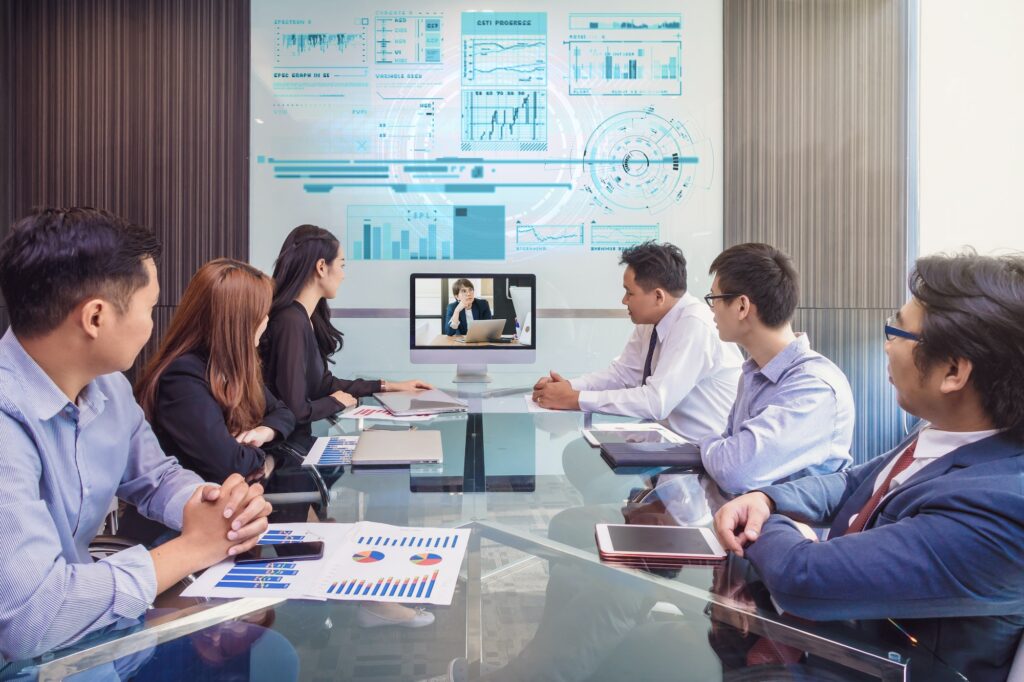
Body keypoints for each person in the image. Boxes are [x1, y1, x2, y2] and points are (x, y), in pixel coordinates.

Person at [714, 251, 1024, 682]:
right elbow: (853, 482)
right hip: (817, 644)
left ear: (953, 371)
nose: (886, 344)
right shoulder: (941, 432)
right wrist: (768, 497)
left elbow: (802, 577)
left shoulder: (1003, 505)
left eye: (897, 331)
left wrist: (774, 523)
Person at [0, 207, 272, 661]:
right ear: (95, 318)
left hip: (87, 636)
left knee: (265, 656)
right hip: (35, 656)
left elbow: (157, 476)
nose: (152, 325)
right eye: (149, 308)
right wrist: (193, 548)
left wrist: (216, 507)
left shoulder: (107, 384)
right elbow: (32, 618)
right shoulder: (8, 421)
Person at [531, 241, 743, 445]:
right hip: (664, 438)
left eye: (629, 292)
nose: (624, 300)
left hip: (701, 451)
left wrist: (574, 399)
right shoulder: (652, 320)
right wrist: (567, 387)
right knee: (583, 451)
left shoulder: (694, 325)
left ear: (658, 296)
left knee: (589, 461)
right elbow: (622, 375)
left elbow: (655, 402)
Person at [698, 243, 855, 494]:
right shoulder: (753, 373)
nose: (712, 309)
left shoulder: (813, 386)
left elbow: (735, 469)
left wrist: (704, 441)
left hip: (786, 531)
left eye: (713, 298)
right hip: (739, 523)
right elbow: (728, 450)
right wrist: (720, 447)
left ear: (742, 306)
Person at [260, 224, 432, 436]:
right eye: (342, 265)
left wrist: (390, 386)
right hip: (289, 452)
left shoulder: (305, 317)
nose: (343, 275)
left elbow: (322, 384)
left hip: (303, 440)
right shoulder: (290, 322)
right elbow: (295, 410)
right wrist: (334, 402)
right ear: (322, 267)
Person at [135, 259, 295, 483]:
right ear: (239, 323)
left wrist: (265, 431)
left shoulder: (231, 367)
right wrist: (263, 456)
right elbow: (231, 464)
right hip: (188, 513)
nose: (267, 321)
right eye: (261, 314)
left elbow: (283, 412)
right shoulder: (182, 378)